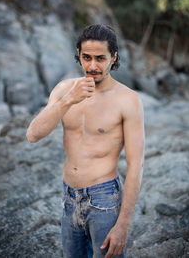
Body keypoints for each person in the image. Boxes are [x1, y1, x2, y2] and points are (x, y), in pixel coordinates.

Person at [26, 24, 145, 258]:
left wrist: (123, 225)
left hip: (104, 200)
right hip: (69, 197)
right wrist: (68, 100)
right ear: (79, 56)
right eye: (86, 57)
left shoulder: (128, 100)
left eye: (100, 58)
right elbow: (33, 135)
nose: (92, 66)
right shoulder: (64, 90)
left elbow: (136, 165)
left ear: (114, 57)